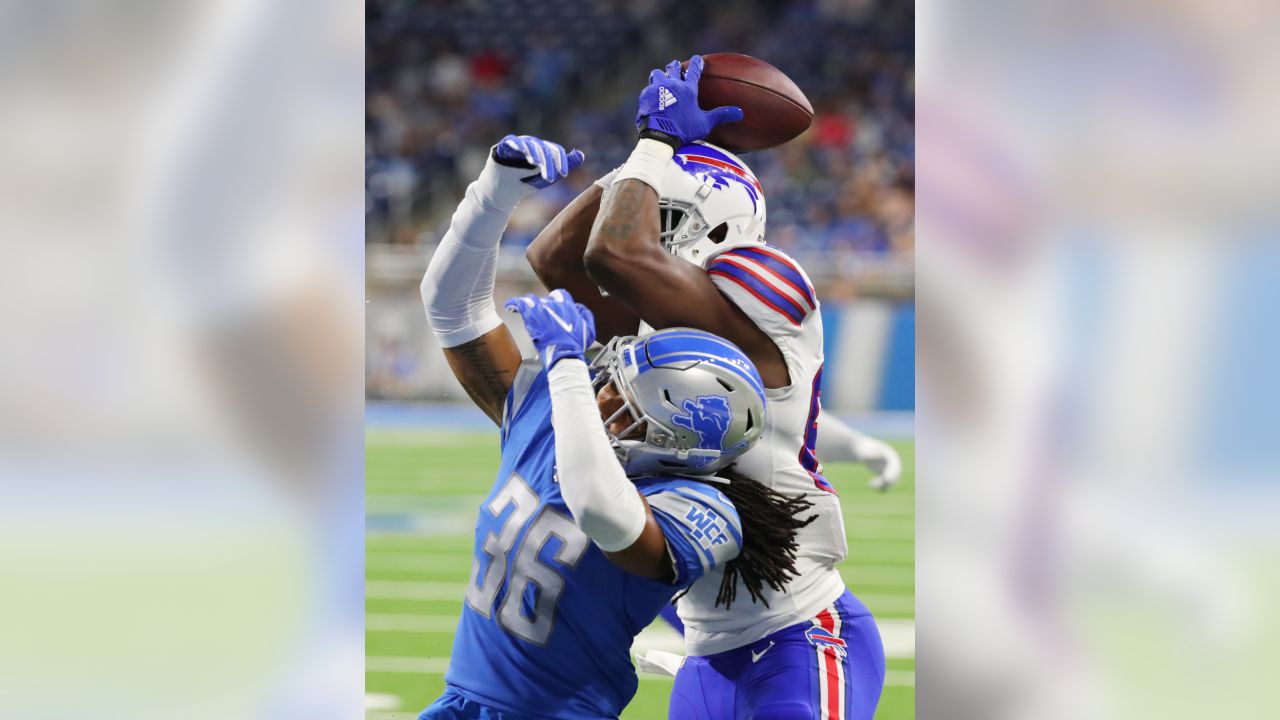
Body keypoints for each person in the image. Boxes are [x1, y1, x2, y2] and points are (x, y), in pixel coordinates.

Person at [525, 57, 886, 719]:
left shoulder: (761, 295)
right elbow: (554, 257)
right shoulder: (653, 315)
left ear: (716, 226)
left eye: (662, 217)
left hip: (800, 635)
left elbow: (614, 255)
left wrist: (657, 144)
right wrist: (650, 156)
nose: (635, 223)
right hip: (707, 653)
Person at [418, 133, 815, 719]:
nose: (604, 392)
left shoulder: (698, 503)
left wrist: (569, 368)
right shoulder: (559, 416)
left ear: (670, 436)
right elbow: (453, 310)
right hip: (459, 704)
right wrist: (493, 194)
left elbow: (603, 511)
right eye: (605, 382)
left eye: (620, 396)